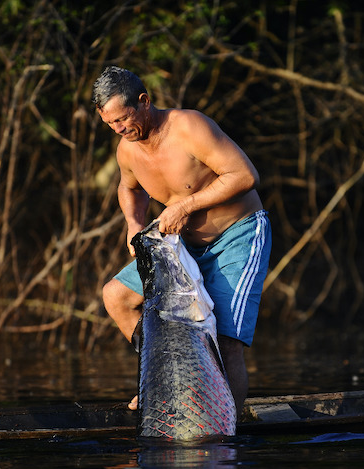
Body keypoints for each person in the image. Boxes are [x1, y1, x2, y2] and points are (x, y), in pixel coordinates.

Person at [93, 66, 271, 414]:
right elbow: (129, 188)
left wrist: (187, 204)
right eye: (110, 124)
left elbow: (245, 175)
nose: (119, 130)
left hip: (237, 234)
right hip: (180, 246)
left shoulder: (189, 127)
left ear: (144, 101)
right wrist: (133, 223)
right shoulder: (127, 150)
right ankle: (160, 377)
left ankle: (222, 428)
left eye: (123, 119)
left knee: (225, 342)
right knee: (116, 297)